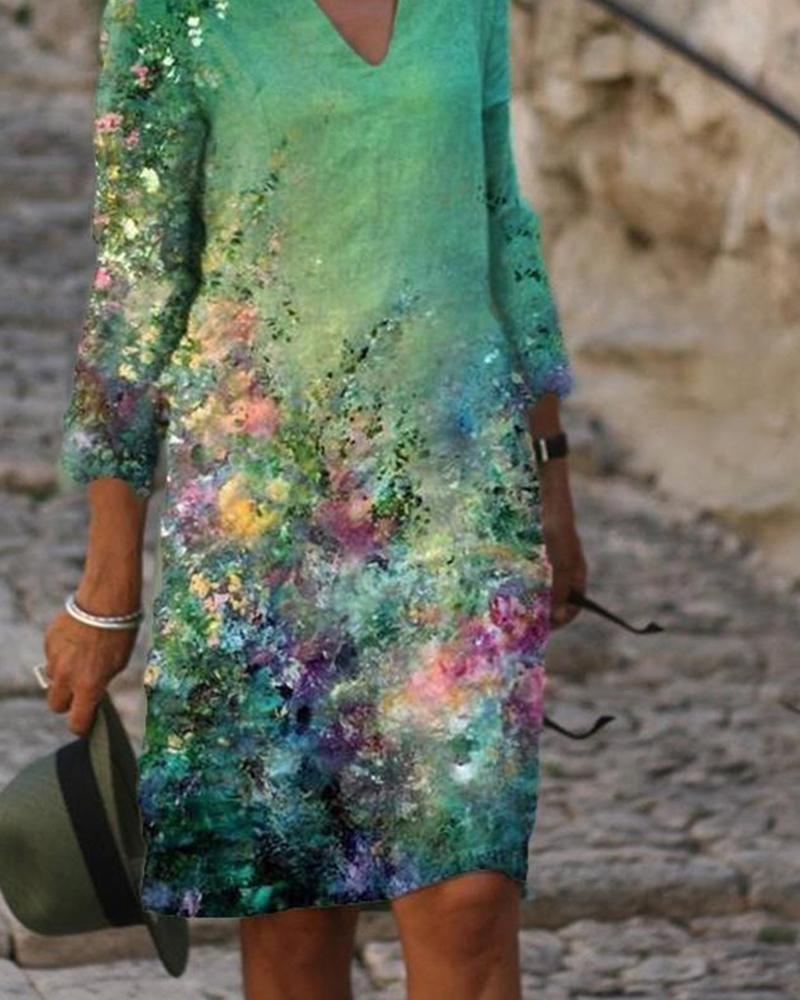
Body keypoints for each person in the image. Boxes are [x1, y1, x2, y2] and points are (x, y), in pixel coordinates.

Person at [44, 0, 587, 997]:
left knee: (468, 898)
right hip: (259, 531)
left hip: (460, 508)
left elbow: (500, 217)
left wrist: (551, 469)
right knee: (297, 919)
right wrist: (106, 586)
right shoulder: (170, 11)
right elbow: (137, 284)